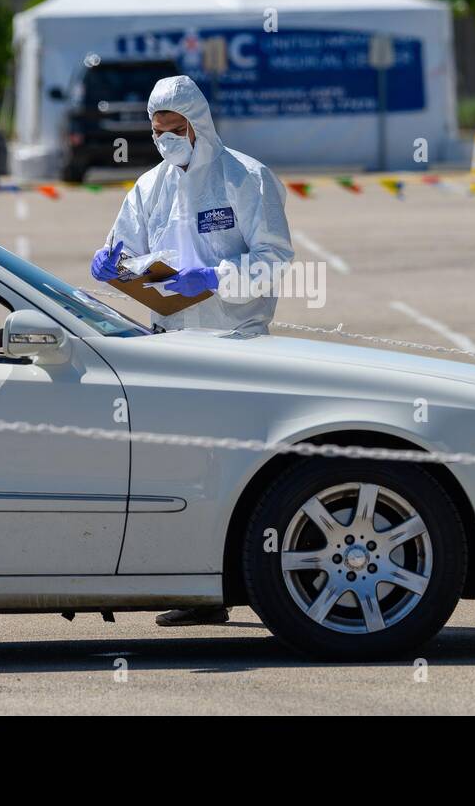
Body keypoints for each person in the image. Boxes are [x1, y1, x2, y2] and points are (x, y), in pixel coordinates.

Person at [91, 74, 295, 627]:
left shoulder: (246, 178)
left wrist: (217, 277)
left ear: (199, 124)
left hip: (236, 347)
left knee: (239, 473)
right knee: (182, 473)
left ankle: (256, 585)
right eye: (159, 133)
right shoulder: (149, 187)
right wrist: (111, 264)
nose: (168, 142)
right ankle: (196, 590)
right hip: (173, 350)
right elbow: (125, 248)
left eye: (176, 130)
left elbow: (275, 259)